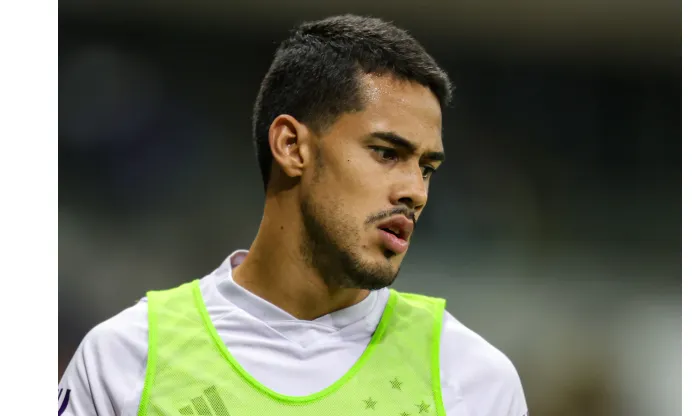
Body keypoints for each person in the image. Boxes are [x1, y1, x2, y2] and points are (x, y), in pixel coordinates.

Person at [59, 14, 529, 416]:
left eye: (426, 167)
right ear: (291, 146)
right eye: (387, 153)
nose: (415, 191)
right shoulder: (123, 360)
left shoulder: (474, 381)